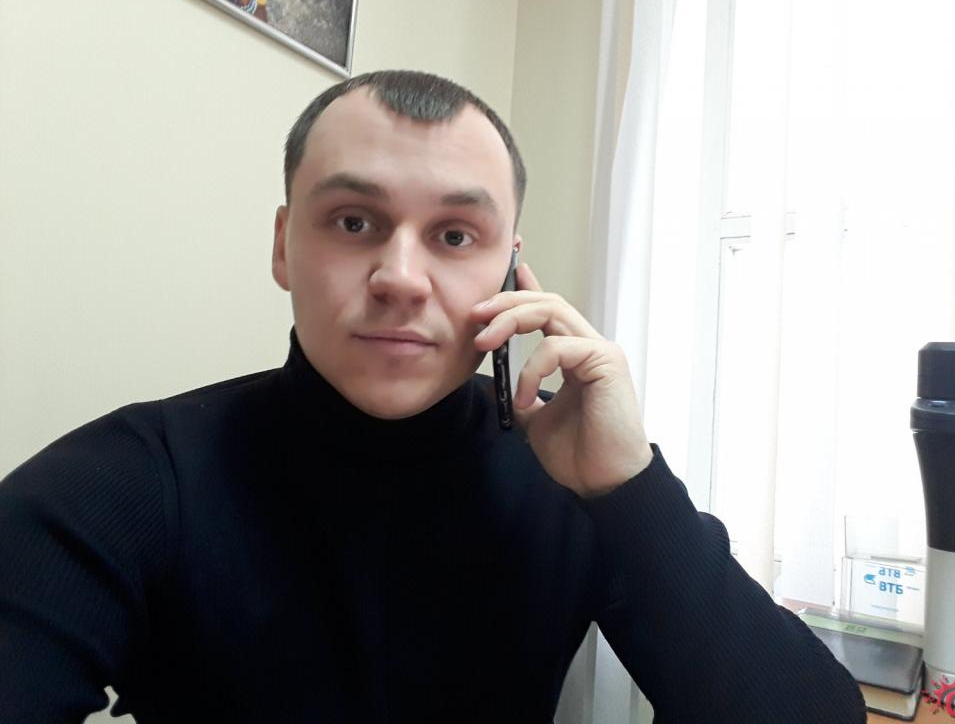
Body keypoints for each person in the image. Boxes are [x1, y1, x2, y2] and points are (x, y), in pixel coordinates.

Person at [0, 70, 865, 722]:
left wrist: (629, 491)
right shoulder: (133, 480)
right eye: (354, 222)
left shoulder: (571, 480)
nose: (401, 278)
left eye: (454, 235)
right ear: (283, 246)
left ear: (512, 270)